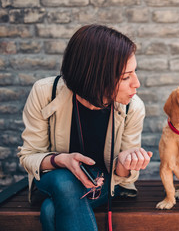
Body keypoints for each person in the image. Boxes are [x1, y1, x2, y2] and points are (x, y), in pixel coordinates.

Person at [17, 24, 152, 231]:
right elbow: (28, 157)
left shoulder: (133, 107)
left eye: (135, 72)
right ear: (96, 76)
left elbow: (122, 176)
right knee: (64, 180)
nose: (137, 83)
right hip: (53, 177)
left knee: (50, 211)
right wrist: (61, 160)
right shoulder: (45, 93)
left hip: (100, 182)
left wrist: (125, 163)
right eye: (126, 77)